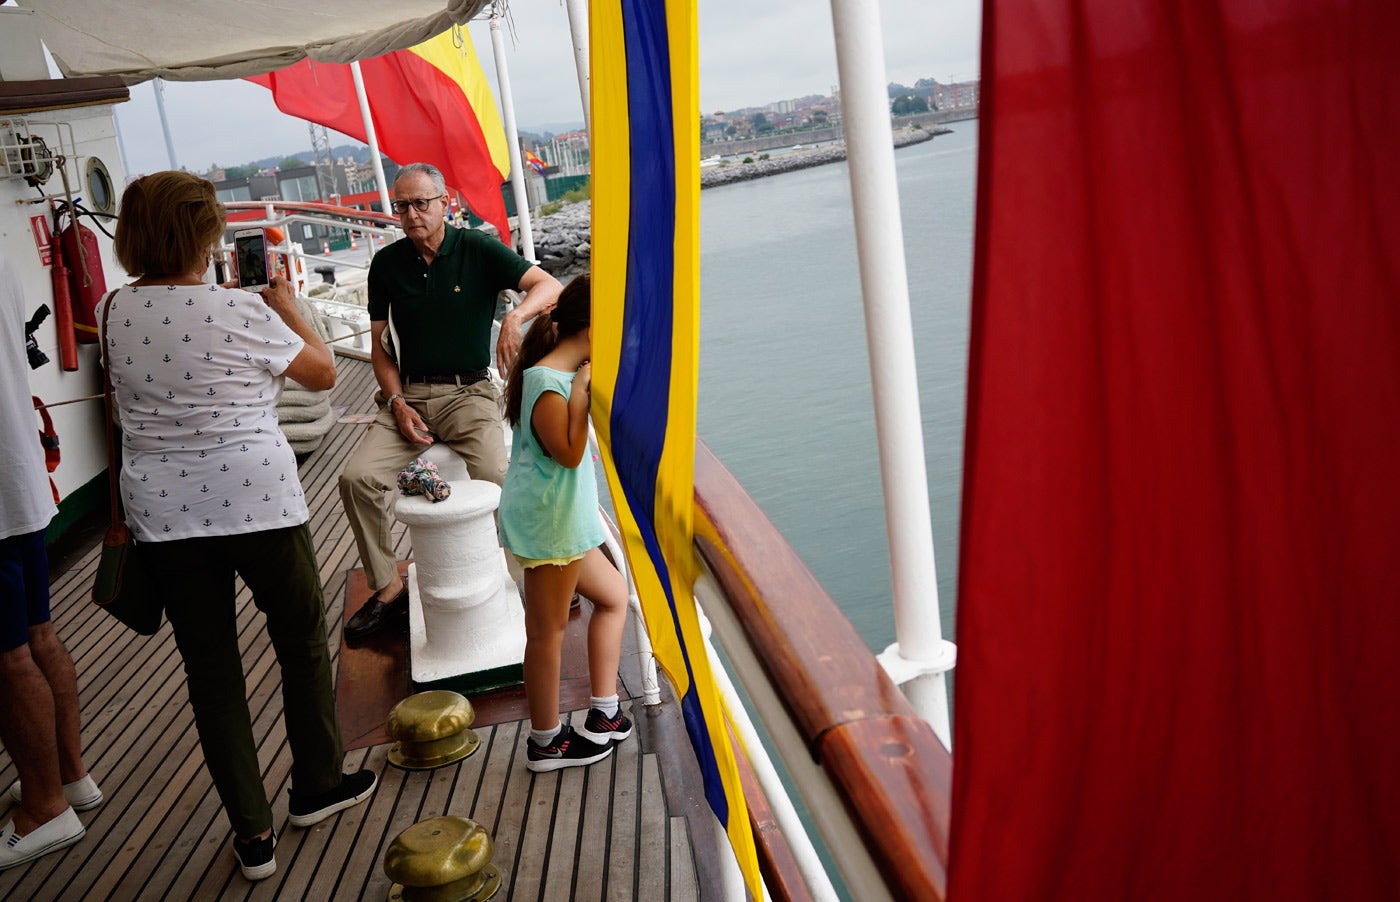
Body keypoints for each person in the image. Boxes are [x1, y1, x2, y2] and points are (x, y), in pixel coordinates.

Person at [100, 172, 376, 881]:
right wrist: (287, 306)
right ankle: (317, 785)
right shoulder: (240, 310)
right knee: (300, 642)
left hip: (164, 513)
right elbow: (321, 375)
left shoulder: (113, 312)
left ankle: (252, 836)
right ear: (207, 234)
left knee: (212, 672)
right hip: (259, 502)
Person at [338, 162, 562, 642]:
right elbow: (380, 348)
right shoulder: (387, 264)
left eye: (422, 202)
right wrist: (396, 401)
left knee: (501, 477)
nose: (412, 213)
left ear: (446, 204)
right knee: (356, 479)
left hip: (469, 392)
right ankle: (387, 591)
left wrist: (516, 318)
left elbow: (550, 286)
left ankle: (537, 575)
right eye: (403, 205)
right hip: (409, 396)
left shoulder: (476, 249)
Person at [497, 275, 633, 772]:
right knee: (548, 633)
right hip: (551, 527)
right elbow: (571, 455)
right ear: (591, 328)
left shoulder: (556, 375)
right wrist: (581, 394)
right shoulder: (549, 384)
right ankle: (546, 742)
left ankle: (604, 713)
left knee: (615, 598)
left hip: (566, 524)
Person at [0, 254, 102, 870]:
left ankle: (42, 808)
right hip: (19, 482)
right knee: (38, 634)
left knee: (6, 659)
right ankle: (70, 778)